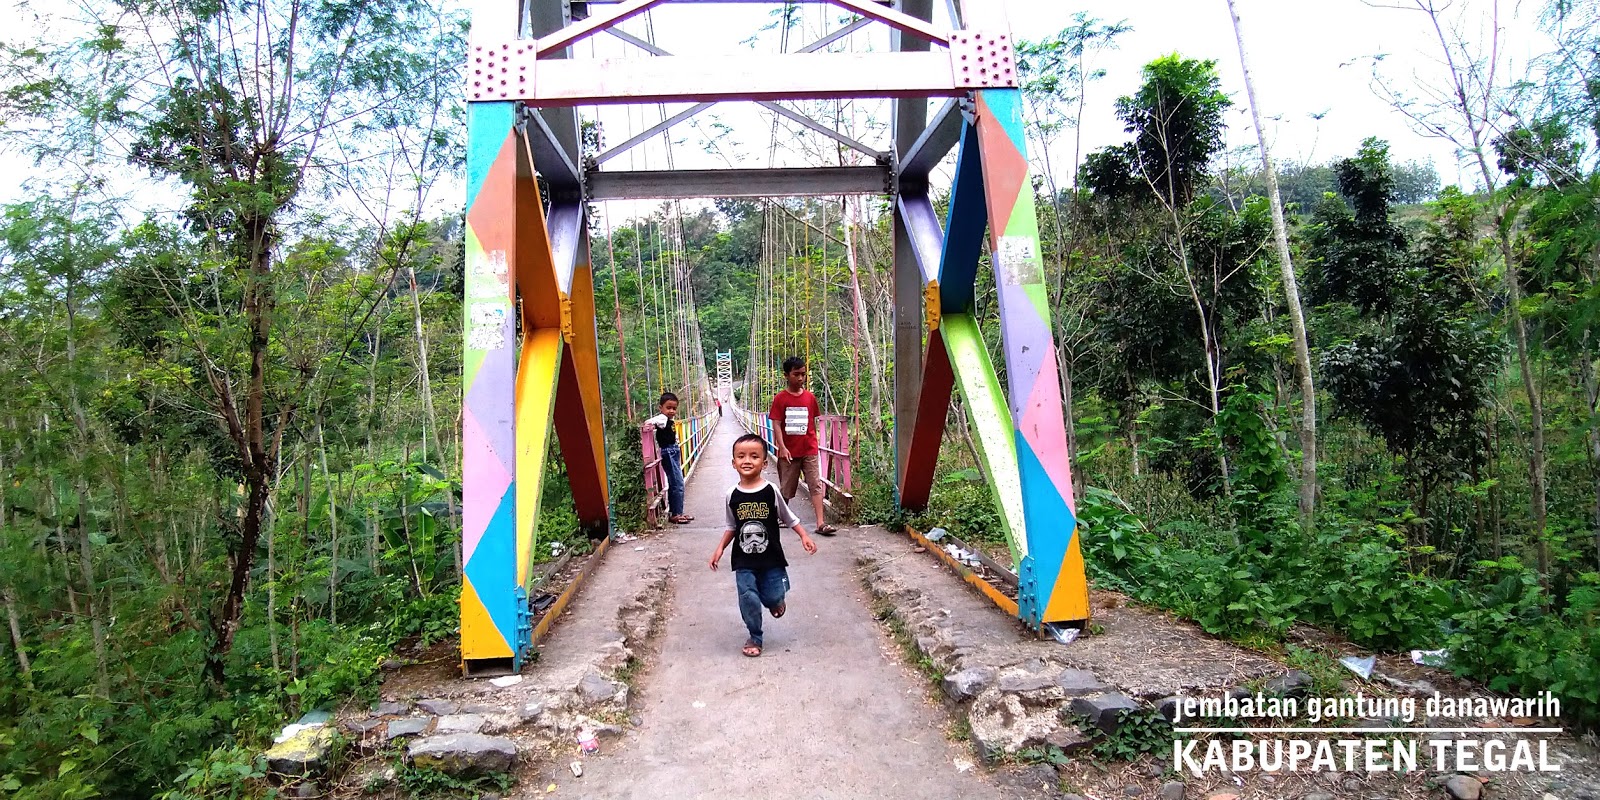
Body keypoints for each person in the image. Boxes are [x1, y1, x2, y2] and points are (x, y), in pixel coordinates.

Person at [708, 433, 818, 657]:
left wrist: (804, 536)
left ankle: (777, 601)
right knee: (747, 596)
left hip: (771, 558)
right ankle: (755, 636)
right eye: (741, 456)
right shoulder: (732, 495)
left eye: (754, 456)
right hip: (743, 559)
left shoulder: (770, 491)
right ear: (733, 463)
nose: (747, 461)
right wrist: (720, 549)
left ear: (764, 463)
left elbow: (788, 517)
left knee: (772, 596)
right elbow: (731, 525)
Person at [768, 355, 836, 535]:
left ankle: (821, 523)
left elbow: (813, 421)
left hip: (809, 448)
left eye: (803, 374)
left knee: (815, 484)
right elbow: (776, 424)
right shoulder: (780, 398)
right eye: (796, 374)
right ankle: (782, 517)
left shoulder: (810, 398)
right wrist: (782, 447)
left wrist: (817, 440)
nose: (800, 378)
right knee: (787, 487)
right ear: (786, 375)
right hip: (789, 450)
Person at [644, 392, 692, 525]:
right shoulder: (662, 418)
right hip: (669, 451)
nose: (672, 411)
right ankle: (676, 514)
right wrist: (651, 425)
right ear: (661, 408)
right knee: (677, 483)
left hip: (673, 450)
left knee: (676, 482)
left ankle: (677, 512)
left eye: (674, 408)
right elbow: (648, 422)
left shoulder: (667, 419)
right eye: (668, 407)